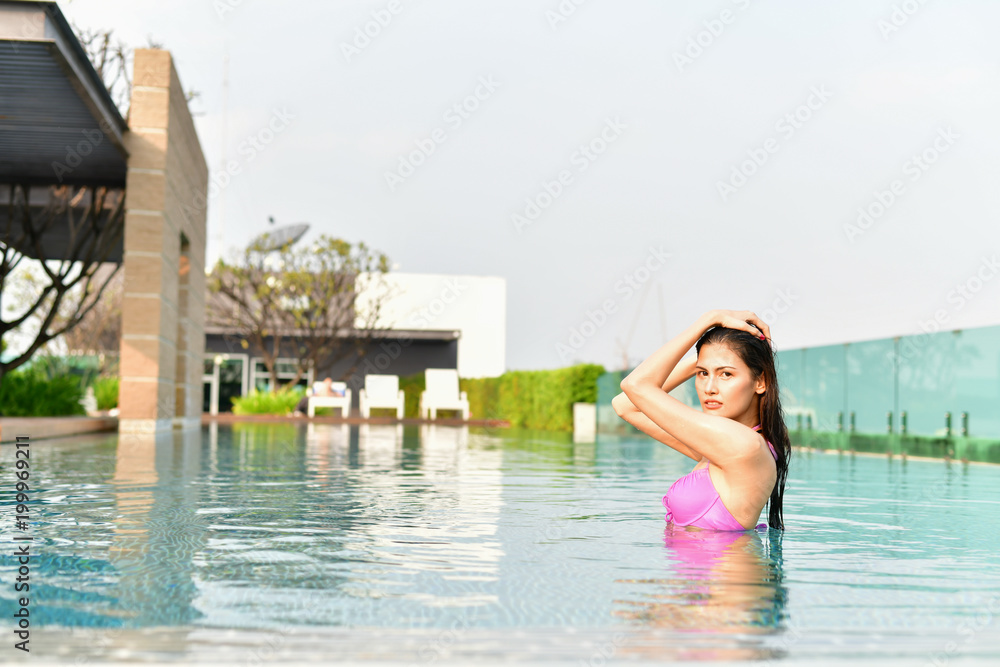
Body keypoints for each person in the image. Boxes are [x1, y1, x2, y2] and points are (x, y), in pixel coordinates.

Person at [613, 309, 790, 531]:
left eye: (726, 374)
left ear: (760, 382)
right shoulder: (720, 449)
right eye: (703, 373)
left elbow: (635, 386)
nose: (709, 388)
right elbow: (625, 405)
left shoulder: (745, 448)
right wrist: (709, 356)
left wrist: (709, 320)